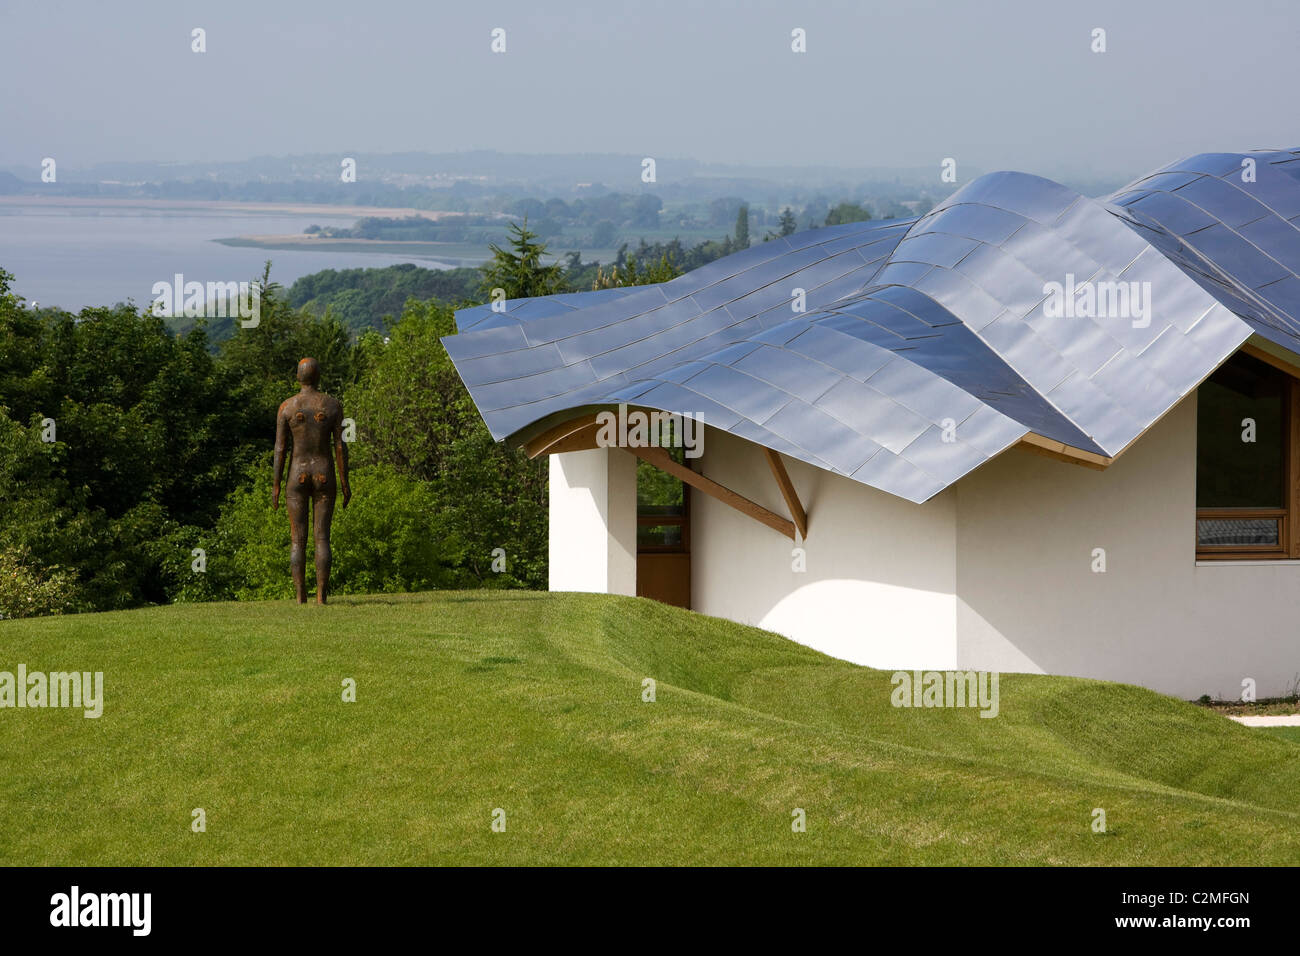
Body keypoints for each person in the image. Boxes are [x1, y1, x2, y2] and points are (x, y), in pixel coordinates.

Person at [272, 357, 351, 604]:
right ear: (318, 377)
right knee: (322, 537)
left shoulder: (287, 407)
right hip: (324, 473)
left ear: (298, 377)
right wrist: (345, 482)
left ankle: (300, 596)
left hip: (297, 474)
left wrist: (276, 485)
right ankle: (321, 596)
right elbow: (340, 446)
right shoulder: (333, 405)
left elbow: (280, 449)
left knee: (297, 539)